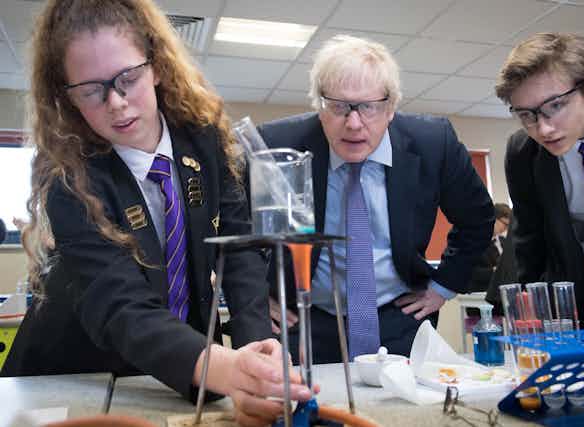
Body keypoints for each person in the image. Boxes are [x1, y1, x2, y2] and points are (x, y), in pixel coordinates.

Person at [0, 1, 312, 425]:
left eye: (128, 78)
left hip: (192, 365)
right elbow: (118, 304)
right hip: (80, 370)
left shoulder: (206, 140)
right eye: (91, 91)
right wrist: (229, 370)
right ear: (68, 98)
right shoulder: (71, 178)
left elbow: (240, 251)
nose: (116, 102)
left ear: (157, 66)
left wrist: (256, 352)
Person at [259, 35, 494, 363]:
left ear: (391, 108)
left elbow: (478, 218)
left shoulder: (432, 142)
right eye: (339, 107)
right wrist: (255, 295)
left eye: (368, 107)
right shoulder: (277, 145)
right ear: (319, 105)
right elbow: (234, 224)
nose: (353, 124)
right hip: (305, 320)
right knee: (313, 410)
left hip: (400, 317)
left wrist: (443, 287)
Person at [496, 32, 584, 328]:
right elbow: (529, 242)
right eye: (527, 115)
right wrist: (533, 311)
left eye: (555, 106)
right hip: (580, 290)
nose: (543, 129)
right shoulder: (523, 152)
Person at [468, 203, 512, 293]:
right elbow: (471, 273)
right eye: (505, 224)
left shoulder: (503, 241)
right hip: (480, 295)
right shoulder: (473, 242)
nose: (506, 228)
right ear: (493, 219)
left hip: (502, 293)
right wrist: (495, 271)